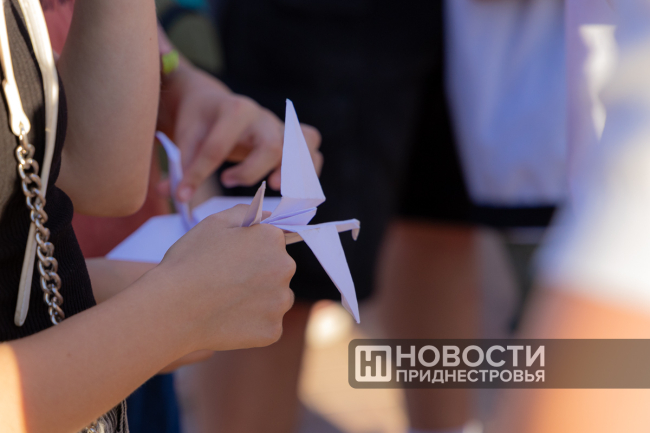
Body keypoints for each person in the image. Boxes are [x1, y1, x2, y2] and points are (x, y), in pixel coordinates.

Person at [0, 0, 296, 432]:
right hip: (91, 344)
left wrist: (173, 73)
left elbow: (104, 176)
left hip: (101, 329)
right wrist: (174, 311)